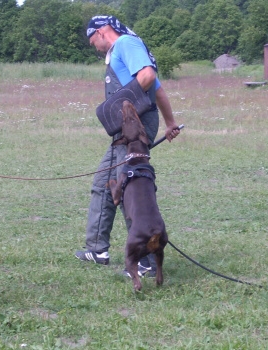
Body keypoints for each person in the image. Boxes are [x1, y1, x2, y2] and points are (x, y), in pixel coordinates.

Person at [75, 15, 181, 278]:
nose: (94, 48)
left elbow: (148, 76)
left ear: (101, 32)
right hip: (129, 127)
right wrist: (170, 123)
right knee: (103, 183)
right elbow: (159, 91)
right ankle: (97, 249)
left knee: (128, 187)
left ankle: (145, 260)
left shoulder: (126, 44)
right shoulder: (122, 51)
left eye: (92, 42)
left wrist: (116, 106)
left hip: (136, 126)